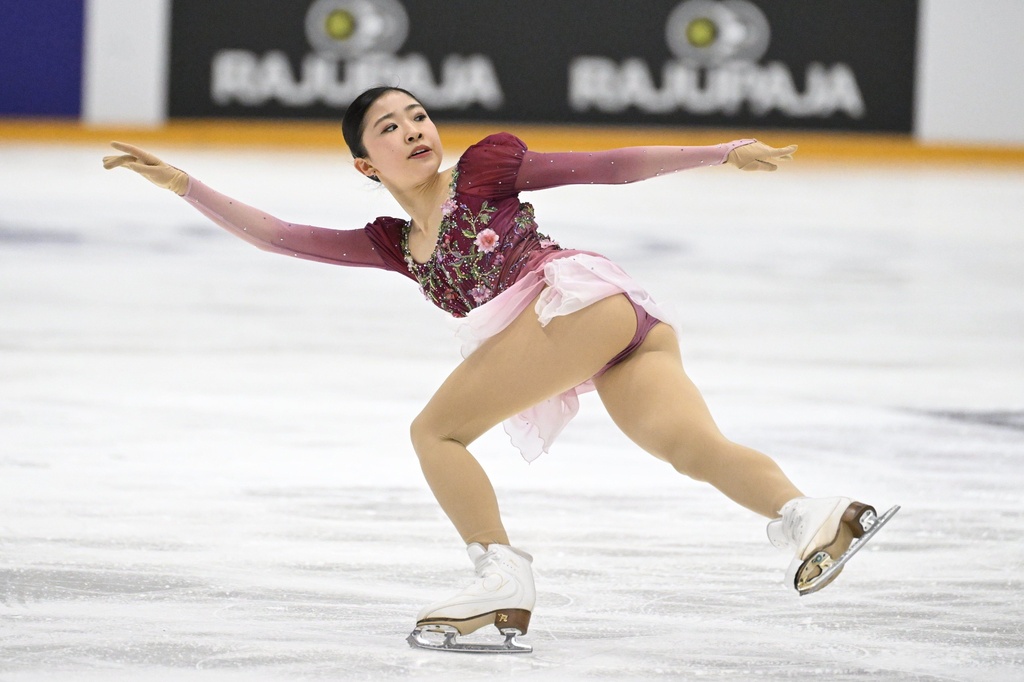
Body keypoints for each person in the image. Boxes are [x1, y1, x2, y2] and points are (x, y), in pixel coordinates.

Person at [103, 86, 897, 654]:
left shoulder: (487, 169)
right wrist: (182, 183)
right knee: (692, 449)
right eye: (389, 127)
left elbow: (609, 166)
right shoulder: (391, 243)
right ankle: (814, 516)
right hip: (612, 326)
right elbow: (281, 236)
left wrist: (720, 152)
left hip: (576, 305)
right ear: (364, 165)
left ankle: (500, 575)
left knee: (435, 432)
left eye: (417, 115)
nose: (413, 129)